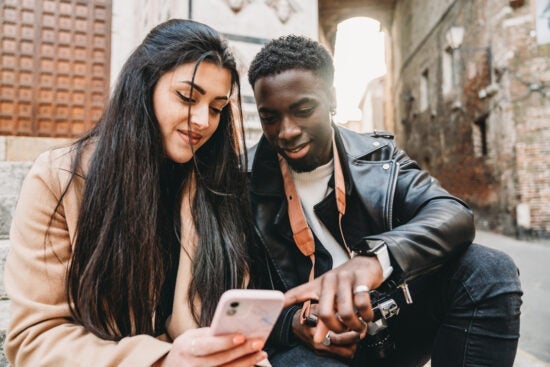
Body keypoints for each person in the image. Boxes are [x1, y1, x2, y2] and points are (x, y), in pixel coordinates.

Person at [246, 34, 522, 367]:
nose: (286, 131)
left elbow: (453, 214)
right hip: (311, 347)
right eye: (270, 118)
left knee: (490, 269)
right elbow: (223, 294)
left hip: (392, 326)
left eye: (303, 110)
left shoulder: (380, 157)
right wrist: (291, 324)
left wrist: (376, 260)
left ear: (332, 99)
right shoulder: (238, 181)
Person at [4, 19, 268, 367]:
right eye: (187, 97)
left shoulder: (214, 188)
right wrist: (163, 361)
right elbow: (34, 339)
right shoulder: (59, 179)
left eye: (217, 108)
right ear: (144, 86)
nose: (203, 119)